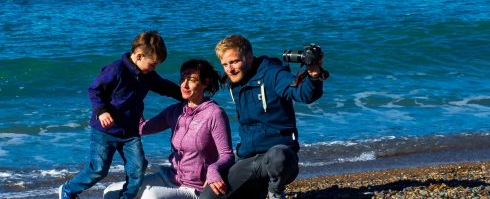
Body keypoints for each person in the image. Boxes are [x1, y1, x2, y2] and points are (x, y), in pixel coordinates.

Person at [59, 31, 183, 199]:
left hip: (130, 132)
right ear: (139, 56)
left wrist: (185, 95)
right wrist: (101, 111)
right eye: (153, 64)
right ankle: (68, 190)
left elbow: (164, 87)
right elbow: (94, 90)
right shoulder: (116, 69)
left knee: (138, 168)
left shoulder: (148, 75)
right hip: (104, 131)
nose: (154, 68)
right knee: (98, 170)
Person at [200, 35, 326, 199]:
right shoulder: (234, 79)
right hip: (248, 158)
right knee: (207, 197)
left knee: (278, 156)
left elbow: (304, 94)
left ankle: (275, 191)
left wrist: (314, 74)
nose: (229, 69)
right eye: (225, 64)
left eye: (234, 62)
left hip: (280, 158)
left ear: (249, 56)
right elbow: (204, 82)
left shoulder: (273, 73)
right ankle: (257, 190)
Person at [103, 58, 235, 199]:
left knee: (151, 196)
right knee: (112, 191)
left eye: (191, 79)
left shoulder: (214, 113)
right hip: (170, 177)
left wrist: (213, 170)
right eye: (183, 78)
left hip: (194, 188)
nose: (184, 84)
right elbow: (141, 128)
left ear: (205, 82)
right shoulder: (175, 111)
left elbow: (227, 155)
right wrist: (132, 99)